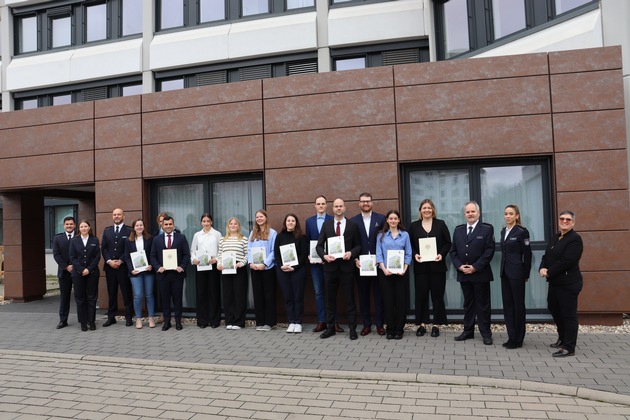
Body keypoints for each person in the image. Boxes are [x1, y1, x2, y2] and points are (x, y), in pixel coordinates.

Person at [450, 201, 496, 345]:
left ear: (478, 213)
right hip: (464, 273)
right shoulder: (458, 230)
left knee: (482, 305)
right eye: (467, 212)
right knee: (468, 304)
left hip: (480, 274)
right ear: (464, 214)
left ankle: (486, 333)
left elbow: (489, 251)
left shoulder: (487, 229)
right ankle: (468, 331)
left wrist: (475, 267)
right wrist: (459, 266)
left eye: (473, 212)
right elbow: (453, 252)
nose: (470, 214)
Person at [316, 198, 362, 340]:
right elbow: (319, 246)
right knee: (330, 299)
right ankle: (330, 328)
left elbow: (358, 245)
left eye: (340, 206)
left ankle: (352, 329)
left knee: (349, 299)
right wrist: (324, 256)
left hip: (347, 268)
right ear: (333, 208)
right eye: (336, 206)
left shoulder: (353, 225)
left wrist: (351, 253)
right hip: (330, 268)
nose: (338, 208)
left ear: (345, 208)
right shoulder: (327, 225)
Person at [539, 210, 583, 358]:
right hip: (555, 283)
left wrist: (549, 271)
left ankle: (569, 347)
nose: (564, 221)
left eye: (568, 219)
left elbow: (567, 261)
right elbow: (546, 255)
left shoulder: (575, 239)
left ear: (573, 222)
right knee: (554, 308)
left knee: (568, 315)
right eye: (562, 218)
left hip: (569, 284)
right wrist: (542, 267)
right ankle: (562, 338)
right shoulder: (556, 237)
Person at [409, 199, 452, 338]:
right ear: (420, 210)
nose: (426, 210)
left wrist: (441, 254)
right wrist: (415, 255)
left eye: (429, 208)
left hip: (437, 267)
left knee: (437, 296)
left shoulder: (440, 224)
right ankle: (422, 324)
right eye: (424, 208)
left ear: (433, 210)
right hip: (420, 267)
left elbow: (447, 243)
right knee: (421, 296)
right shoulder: (414, 226)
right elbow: (410, 245)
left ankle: (436, 324)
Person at [351, 192, 386, 336]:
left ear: (372, 203)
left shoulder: (381, 219)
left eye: (368, 201)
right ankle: (366, 324)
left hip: (378, 264)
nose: (366, 203)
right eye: (363, 201)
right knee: (363, 295)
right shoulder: (353, 221)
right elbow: (350, 242)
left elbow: (386, 239)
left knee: (379, 295)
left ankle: (379, 324)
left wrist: (382, 259)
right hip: (361, 264)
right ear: (359, 203)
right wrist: (355, 259)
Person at [150, 215, 191, 331]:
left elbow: (186, 255)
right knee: (165, 299)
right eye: (166, 224)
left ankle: (178, 322)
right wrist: (158, 267)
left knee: (177, 299)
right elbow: (152, 256)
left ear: (173, 225)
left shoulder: (181, 238)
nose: (168, 226)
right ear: (162, 225)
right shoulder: (156, 239)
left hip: (177, 274)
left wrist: (182, 266)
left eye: (170, 224)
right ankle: (167, 322)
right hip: (163, 275)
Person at [376, 210, 412, 340]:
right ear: (387, 220)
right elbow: (379, 254)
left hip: (401, 273)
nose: (393, 221)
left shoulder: (405, 235)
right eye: (390, 218)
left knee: (401, 301)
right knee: (388, 301)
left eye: (395, 218)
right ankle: (390, 328)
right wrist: (384, 269)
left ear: (398, 220)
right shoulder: (381, 235)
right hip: (385, 273)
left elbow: (408, 253)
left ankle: (399, 329)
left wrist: (404, 268)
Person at [500, 204, 532, 349]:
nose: (508, 216)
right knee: (508, 306)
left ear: (517, 216)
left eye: (511, 214)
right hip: (505, 273)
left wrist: (526, 274)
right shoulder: (503, 231)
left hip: (517, 273)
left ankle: (518, 339)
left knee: (518, 306)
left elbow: (528, 254)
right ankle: (511, 336)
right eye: (506, 213)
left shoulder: (522, 232)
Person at [304, 195, 337, 333]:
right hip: (315, 263)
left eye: (323, 203)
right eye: (318, 203)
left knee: (332, 292)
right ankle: (322, 321)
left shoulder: (332, 220)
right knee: (319, 293)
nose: (321, 206)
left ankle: (333, 323)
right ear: (315, 205)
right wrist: (308, 254)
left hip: (331, 261)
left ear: (326, 205)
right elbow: (308, 240)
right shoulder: (309, 221)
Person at [275, 213, 309, 333]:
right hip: (283, 271)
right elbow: (276, 254)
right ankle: (291, 322)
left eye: (293, 221)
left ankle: (298, 323)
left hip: (298, 271)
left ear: (296, 223)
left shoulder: (301, 237)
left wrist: (294, 267)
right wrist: (281, 266)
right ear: (285, 223)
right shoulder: (279, 237)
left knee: (298, 297)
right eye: (288, 220)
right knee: (288, 297)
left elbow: (304, 254)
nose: (290, 223)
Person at [101, 208, 133, 327]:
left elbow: (129, 248)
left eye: (119, 214)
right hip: (110, 268)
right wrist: (109, 261)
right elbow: (104, 248)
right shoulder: (107, 231)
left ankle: (129, 317)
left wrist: (121, 260)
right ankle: (111, 317)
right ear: (112, 216)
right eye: (114, 214)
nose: (116, 216)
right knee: (112, 293)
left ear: (123, 216)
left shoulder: (129, 230)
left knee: (126, 292)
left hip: (123, 267)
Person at [190, 213, 223, 328]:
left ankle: (214, 321)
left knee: (214, 293)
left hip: (213, 266)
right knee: (201, 293)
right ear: (201, 222)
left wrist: (216, 259)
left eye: (208, 221)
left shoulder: (217, 234)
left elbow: (221, 250)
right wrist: (193, 259)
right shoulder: (197, 235)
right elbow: (193, 251)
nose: (206, 223)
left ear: (211, 222)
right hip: (200, 266)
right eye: (204, 221)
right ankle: (202, 321)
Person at [217, 217, 249, 330]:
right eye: (231, 224)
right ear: (228, 226)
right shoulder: (222, 240)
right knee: (228, 296)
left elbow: (247, 254)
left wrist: (241, 263)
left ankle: (239, 322)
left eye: (235, 224)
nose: (233, 225)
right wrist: (218, 264)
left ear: (239, 226)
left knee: (239, 295)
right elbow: (219, 254)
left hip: (239, 268)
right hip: (226, 269)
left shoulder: (244, 239)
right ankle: (229, 320)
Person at [248, 209, 278, 331]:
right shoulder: (253, 233)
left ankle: (269, 323)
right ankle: (260, 322)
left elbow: (273, 251)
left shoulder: (272, 233)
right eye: (257, 217)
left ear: (266, 217)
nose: (259, 219)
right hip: (255, 268)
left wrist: (265, 264)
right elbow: (249, 249)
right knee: (258, 295)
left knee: (268, 295)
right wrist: (250, 262)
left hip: (267, 268)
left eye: (261, 216)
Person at [69, 220, 100, 332]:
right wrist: (81, 269)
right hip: (78, 274)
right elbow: (72, 257)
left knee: (92, 297)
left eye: (85, 226)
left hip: (92, 273)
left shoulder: (94, 240)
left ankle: (91, 321)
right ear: (79, 228)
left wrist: (89, 269)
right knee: (80, 298)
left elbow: (97, 256)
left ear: (89, 227)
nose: (84, 228)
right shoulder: (74, 241)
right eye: (82, 226)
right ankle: (82, 322)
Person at [123, 219, 155, 329]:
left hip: (148, 270)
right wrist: (131, 269)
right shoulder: (128, 240)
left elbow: (153, 253)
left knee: (149, 295)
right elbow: (126, 256)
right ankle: (138, 318)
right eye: (137, 225)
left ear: (144, 226)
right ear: (134, 227)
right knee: (137, 295)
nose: (139, 227)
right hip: (135, 272)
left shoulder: (150, 238)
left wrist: (151, 265)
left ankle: (151, 317)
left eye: (141, 225)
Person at [52, 216, 76, 329]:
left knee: (81, 296)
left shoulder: (80, 236)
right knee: (64, 297)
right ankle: (63, 320)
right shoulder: (58, 238)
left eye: (71, 224)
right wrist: (66, 266)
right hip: (64, 272)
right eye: (67, 224)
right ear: (64, 225)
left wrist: (75, 266)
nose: (69, 226)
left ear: (74, 225)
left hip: (78, 271)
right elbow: (56, 255)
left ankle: (84, 319)